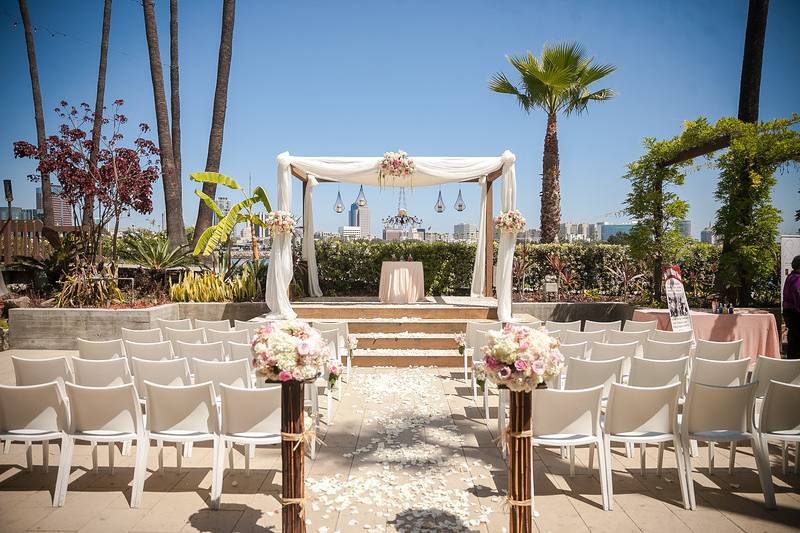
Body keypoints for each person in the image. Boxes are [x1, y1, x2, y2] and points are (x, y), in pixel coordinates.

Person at [784, 255, 800, 359]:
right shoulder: (797, 278)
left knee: (793, 339)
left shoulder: (791, 276)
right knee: (796, 340)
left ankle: (791, 366)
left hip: (789, 311)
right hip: (795, 313)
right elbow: (799, 295)